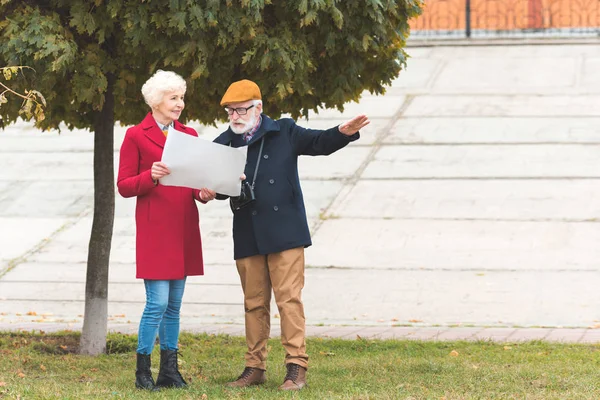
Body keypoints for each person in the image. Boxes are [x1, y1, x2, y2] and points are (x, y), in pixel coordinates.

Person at [213, 79, 369, 391]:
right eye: (230, 111)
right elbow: (214, 187)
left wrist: (344, 133)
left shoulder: (284, 131)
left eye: (241, 109)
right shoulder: (223, 144)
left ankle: (296, 366)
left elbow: (318, 143)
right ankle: (254, 367)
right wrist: (206, 191)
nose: (235, 116)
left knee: (289, 300)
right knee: (253, 302)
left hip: (285, 231)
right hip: (247, 232)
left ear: (258, 108)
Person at [117, 70, 216, 391]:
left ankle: (169, 372)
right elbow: (124, 186)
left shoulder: (188, 133)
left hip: (183, 226)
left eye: (181, 97)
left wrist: (202, 193)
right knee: (156, 303)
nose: (180, 104)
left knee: (174, 305)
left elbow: (192, 182)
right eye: (173, 98)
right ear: (156, 100)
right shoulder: (135, 135)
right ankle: (142, 371)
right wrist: (152, 175)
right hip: (155, 230)